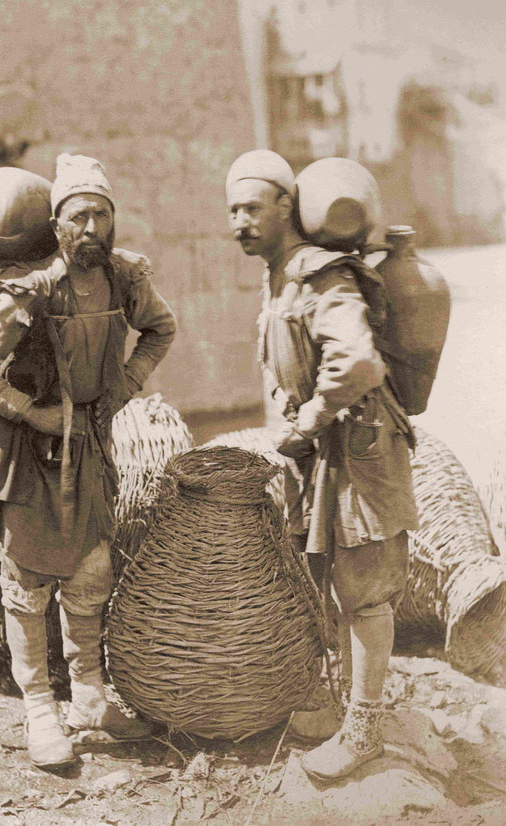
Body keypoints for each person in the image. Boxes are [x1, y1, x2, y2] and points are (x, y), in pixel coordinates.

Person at [0, 154, 176, 771]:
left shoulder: (125, 280)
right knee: (27, 583)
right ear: (56, 225)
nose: (92, 229)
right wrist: (30, 411)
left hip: (89, 449)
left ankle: (91, 699)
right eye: (78, 217)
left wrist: (125, 383)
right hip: (27, 454)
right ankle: (39, 710)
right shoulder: (33, 290)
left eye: (102, 215)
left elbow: (161, 329)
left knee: (90, 573)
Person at [225, 150, 418, 781]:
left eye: (253, 207)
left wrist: (308, 419)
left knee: (364, 591)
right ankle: (333, 709)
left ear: (287, 206)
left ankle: (364, 732)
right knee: (328, 578)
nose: (240, 221)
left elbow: (358, 362)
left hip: (359, 447)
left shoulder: (320, 275)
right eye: (232, 210)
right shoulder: (281, 275)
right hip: (325, 450)